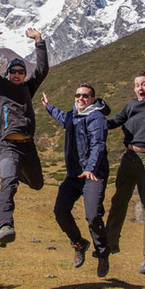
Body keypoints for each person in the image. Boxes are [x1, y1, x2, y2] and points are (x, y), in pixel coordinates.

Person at [104, 22, 145, 275]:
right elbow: (111, 124)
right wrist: (86, 118)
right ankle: (109, 244)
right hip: (129, 158)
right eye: (137, 85)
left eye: (144, 84)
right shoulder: (130, 107)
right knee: (118, 199)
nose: (141, 88)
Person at [0, 16, 48, 247]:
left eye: (21, 71)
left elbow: (42, 69)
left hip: (28, 147)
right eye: (13, 71)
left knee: (37, 183)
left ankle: (17, 171)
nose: (17, 74)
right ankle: (4, 226)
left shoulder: (28, 88)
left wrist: (38, 41)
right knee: (8, 183)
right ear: (8, 74)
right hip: (8, 146)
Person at [42, 84, 111, 278]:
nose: (80, 98)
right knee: (60, 211)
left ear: (92, 98)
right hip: (74, 175)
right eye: (78, 95)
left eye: (85, 96)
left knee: (93, 216)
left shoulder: (96, 118)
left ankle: (103, 252)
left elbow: (98, 144)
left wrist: (90, 168)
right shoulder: (73, 115)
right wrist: (49, 107)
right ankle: (79, 243)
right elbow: (63, 119)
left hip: (93, 174)